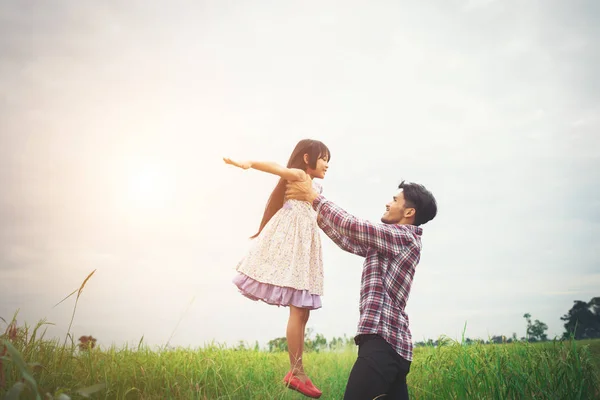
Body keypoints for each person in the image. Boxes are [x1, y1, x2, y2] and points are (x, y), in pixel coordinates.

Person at [285, 177, 437, 400]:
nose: (388, 203)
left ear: (408, 213)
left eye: (395, 200)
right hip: (394, 347)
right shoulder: (389, 242)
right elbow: (349, 239)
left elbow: (353, 225)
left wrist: (315, 198)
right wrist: (314, 214)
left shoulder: (403, 237)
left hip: (382, 342)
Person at [223, 139, 331, 399]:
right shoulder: (298, 175)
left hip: (304, 249)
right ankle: (296, 371)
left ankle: (298, 371)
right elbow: (275, 167)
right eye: (323, 158)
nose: (327, 164)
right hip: (293, 247)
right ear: (307, 158)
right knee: (298, 309)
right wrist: (249, 164)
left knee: (303, 312)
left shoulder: (313, 187)